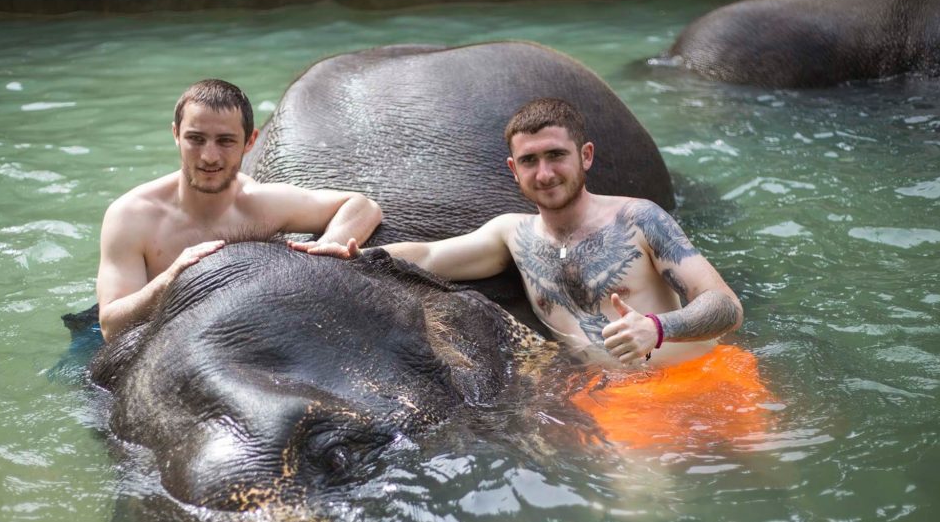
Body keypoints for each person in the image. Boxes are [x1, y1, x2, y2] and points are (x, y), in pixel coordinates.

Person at [295, 98, 771, 446]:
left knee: (787, 490)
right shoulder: (511, 236)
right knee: (642, 511)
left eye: (555, 155)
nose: (544, 173)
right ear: (513, 169)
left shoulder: (639, 218)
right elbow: (431, 256)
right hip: (620, 397)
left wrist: (658, 327)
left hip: (707, 372)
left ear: (584, 156)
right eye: (530, 161)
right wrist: (348, 252)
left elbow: (725, 306)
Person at [95, 78, 382, 341]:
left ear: (250, 142)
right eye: (195, 139)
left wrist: (328, 247)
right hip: (154, 330)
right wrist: (168, 281)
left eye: (226, 141)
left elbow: (362, 206)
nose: (209, 156)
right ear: (176, 135)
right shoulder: (131, 215)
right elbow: (110, 328)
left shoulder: (262, 203)